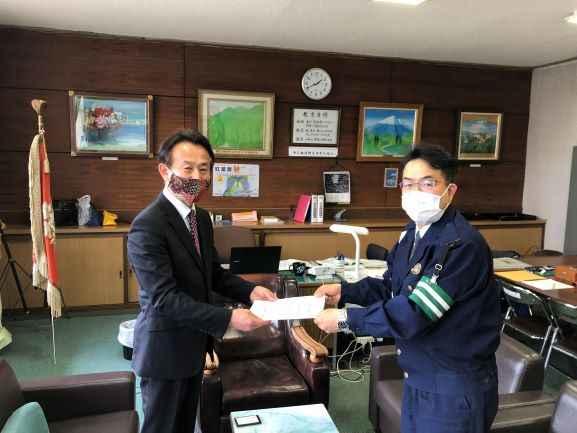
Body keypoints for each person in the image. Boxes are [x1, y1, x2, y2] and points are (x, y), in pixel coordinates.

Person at [314, 144, 501, 433]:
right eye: (408, 184)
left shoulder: (461, 245)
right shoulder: (413, 232)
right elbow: (393, 286)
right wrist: (344, 292)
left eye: (427, 183)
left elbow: (414, 311)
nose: (416, 192)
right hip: (418, 375)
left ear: (450, 191)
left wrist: (345, 319)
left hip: (453, 386)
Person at [127, 129, 276, 433]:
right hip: (165, 350)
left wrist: (250, 291)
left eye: (204, 169)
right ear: (164, 171)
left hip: (195, 346)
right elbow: (164, 299)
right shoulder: (148, 225)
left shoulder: (202, 218)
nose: (197, 177)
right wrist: (229, 318)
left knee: (184, 425)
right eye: (188, 168)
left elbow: (213, 273)